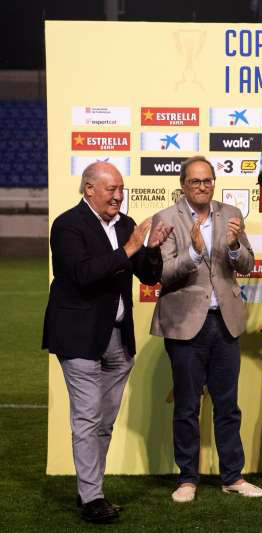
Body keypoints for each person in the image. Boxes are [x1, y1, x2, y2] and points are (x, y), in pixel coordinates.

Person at [43, 161, 169, 523]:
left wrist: (153, 249)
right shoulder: (68, 225)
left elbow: (147, 275)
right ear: (89, 190)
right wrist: (130, 248)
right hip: (79, 336)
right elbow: (83, 275)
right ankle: (92, 496)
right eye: (111, 189)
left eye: (120, 188)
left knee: (104, 421)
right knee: (87, 417)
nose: (118, 195)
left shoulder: (126, 225)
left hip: (117, 338)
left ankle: (91, 490)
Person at [149, 156, 262, 503]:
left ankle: (233, 476)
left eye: (208, 180)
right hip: (185, 324)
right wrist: (194, 253)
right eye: (195, 181)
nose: (202, 186)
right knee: (186, 405)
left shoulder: (231, 214)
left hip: (224, 322)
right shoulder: (167, 219)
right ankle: (187, 478)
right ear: (183, 185)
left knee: (228, 405)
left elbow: (247, 263)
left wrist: (232, 246)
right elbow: (164, 274)